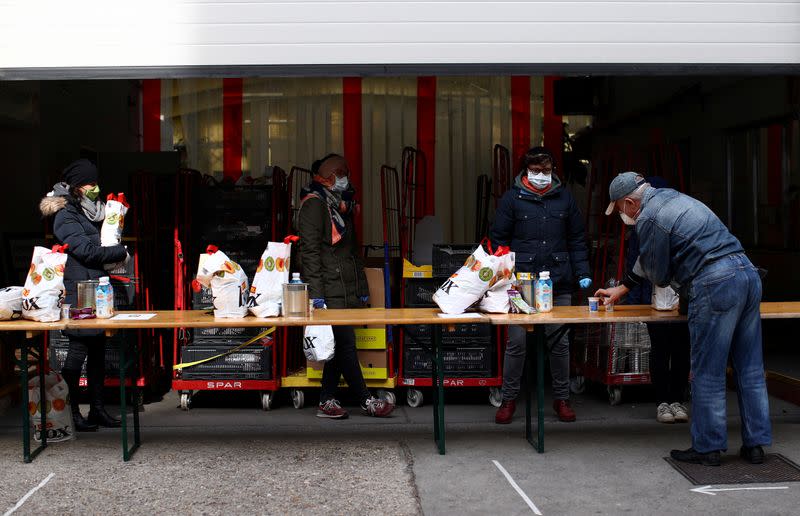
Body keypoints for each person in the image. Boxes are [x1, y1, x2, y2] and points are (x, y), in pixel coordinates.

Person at [595, 172, 771, 466]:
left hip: (715, 283)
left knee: (707, 371)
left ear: (629, 202)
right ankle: (756, 446)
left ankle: (708, 448)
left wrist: (649, 278)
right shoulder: (674, 198)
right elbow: (651, 257)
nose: (621, 217)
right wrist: (623, 287)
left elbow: (658, 273)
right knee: (750, 369)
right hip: (748, 275)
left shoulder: (649, 218)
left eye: (619, 210)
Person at [490, 147, 592, 424]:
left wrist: (582, 272)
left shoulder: (565, 199)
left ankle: (562, 399)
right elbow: (498, 241)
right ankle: (508, 400)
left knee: (559, 343)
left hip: (558, 282)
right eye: (535, 171)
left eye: (545, 171)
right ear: (525, 171)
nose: (540, 176)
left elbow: (577, 240)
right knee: (517, 343)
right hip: (519, 285)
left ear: (553, 171)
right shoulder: (511, 200)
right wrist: (501, 277)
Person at [296, 153, 394, 419]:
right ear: (330, 177)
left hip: (344, 287)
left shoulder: (338, 205)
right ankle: (366, 400)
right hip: (328, 289)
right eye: (343, 173)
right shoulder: (314, 205)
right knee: (346, 344)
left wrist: (361, 288)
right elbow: (310, 253)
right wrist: (316, 296)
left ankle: (326, 400)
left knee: (339, 347)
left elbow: (351, 253)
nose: (347, 178)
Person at [39, 159, 129, 432]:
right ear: (77, 186)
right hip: (79, 290)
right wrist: (119, 252)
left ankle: (97, 410)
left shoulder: (87, 210)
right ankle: (71, 410)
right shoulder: (65, 215)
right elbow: (87, 251)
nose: (95, 187)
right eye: (90, 183)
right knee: (78, 349)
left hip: (95, 287)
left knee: (99, 349)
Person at [623, 177, 690, 425]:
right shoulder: (643, 224)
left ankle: (678, 400)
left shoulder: (680, 222)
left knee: (682, 348)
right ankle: (663, 401)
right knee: (660, 348)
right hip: (655, 296)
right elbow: (636, 262)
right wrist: (632, 296)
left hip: (682, 294)